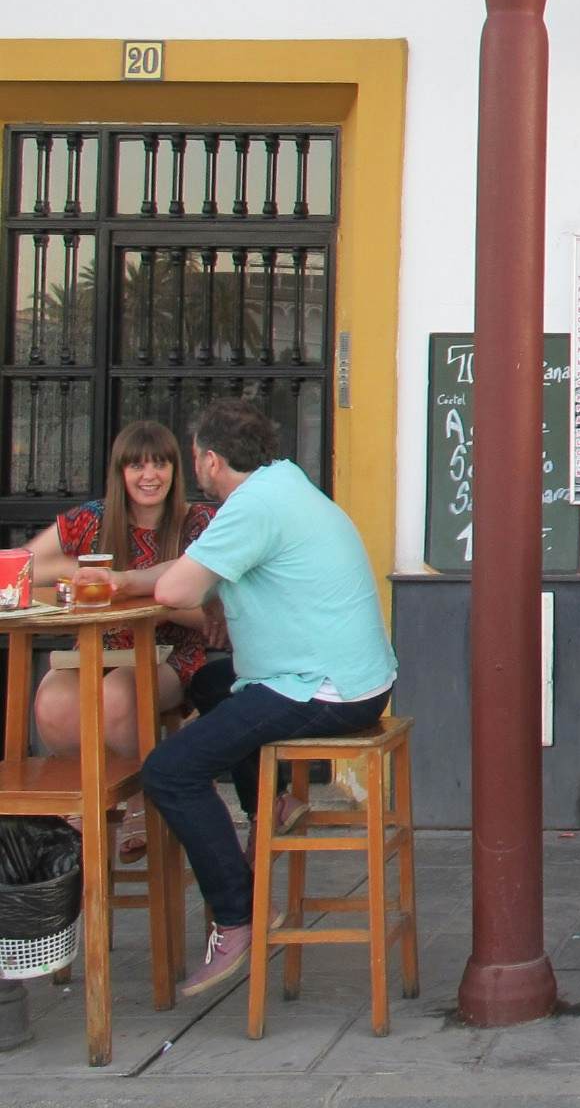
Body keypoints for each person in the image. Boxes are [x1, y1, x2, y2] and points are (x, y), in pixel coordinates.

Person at [139, 399, 399, 1000]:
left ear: (209, 459)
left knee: (169, 771)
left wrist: (166, 586)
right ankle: (270, 805)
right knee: (212, 684)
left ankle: (237, 916)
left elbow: (175, 588)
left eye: (194, 458)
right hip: (353, 679)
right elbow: (198, 575)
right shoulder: (283, 485)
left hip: (322, 689)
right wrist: (135, 581)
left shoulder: (251, 506)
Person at [25, 422, 220, 822]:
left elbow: (210, 617)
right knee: (52, 702)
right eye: (137, 466)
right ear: (120, 472)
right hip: (97, 648)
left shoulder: (200, 522)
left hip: (170, 653)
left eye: (160, 464)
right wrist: (81, 570)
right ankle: (92, 805)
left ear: (175, 469)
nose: (150, 476)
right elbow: (26, 562)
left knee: (117, 693)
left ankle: (143, 803)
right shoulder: (94, 518)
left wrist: (132, 590)